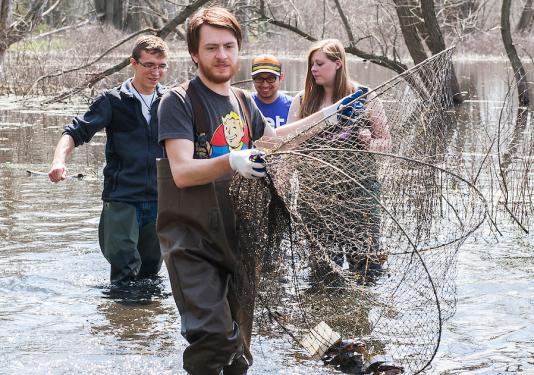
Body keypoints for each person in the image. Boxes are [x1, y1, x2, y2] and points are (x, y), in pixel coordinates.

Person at [156, 7, 363, 375]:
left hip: (240, 238)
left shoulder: (242, 101)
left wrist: (329, 114)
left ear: (238, 50)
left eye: (229, 46)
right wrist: (230, 161)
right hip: (193, 242)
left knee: (240, 355)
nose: (222, 55)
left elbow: (276, 139)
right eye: (211, 48)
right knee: (215, 335)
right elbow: (183, 172)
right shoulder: (179, 101)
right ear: (194, 54)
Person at [48, 35, 168, 286]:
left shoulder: (170, 101)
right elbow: (73, 132)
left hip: (160, 198)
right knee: (124, 274)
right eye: (149, 65)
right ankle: (119, 319)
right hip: (122, 197)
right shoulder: (112, 100)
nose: (155, 72)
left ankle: (145, 324)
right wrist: (58, 162)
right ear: (133, 63)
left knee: (150, 276)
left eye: (161, 66)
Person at [288, 38, 391, 281]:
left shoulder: (365, 97)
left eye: (319, 64)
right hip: (316, 199)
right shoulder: (302, 101)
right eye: (311, 65)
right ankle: (328, 316)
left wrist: (369, 141)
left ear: (338, 64)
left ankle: (359, 316)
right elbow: (289, 145)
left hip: (360, 196)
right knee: (324, 274)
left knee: (366, 270)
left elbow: (386, 142)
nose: (313, 69)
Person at [250, 54, 293, 128]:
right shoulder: (244, 104)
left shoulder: (292, 106)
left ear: (281, 77)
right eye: (259, 79)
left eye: (270, 79)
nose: (265, 85)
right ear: (252, 78)